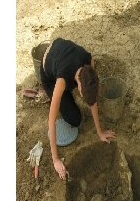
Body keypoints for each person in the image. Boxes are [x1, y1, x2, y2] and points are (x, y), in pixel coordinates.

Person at [40, 38, 116, 180]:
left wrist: (100, 132)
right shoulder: (62, 80)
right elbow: (51, 120)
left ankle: (66, 97)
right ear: (78, 85)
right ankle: (54, 93)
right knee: (74, 119)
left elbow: (92, 99)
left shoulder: (89, 60)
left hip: (62, 56)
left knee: (75, 112)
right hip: (49, 72)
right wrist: (55, 159)